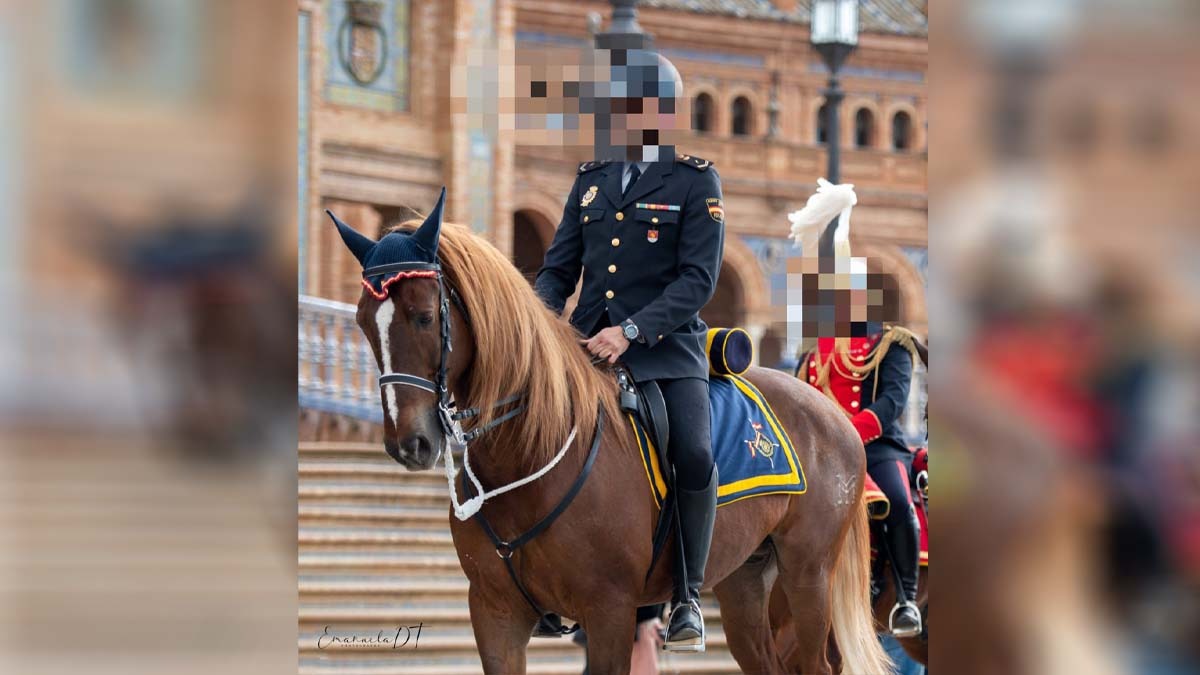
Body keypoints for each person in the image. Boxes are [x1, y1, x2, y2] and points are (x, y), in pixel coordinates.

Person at [534, 48, 724, 651]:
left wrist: (634, 331)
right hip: (586, 347)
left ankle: (688, 592)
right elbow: (558, 269)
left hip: (664, 351)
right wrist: (538, 324)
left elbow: (697, 281)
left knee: (692, 453)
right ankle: (540, 580)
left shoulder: (696, 181)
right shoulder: (591, 180)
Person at [788, 179, 924, 638]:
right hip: (819, 453)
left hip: (877, 446)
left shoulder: (891, 343)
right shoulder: (812, 355)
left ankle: (904, 595)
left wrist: (850, 434)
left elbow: (891, 403)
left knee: (899, 501)